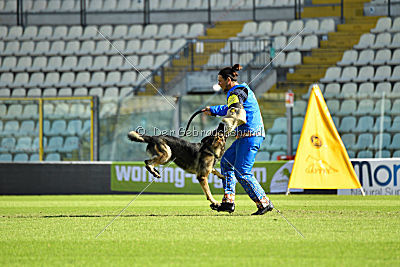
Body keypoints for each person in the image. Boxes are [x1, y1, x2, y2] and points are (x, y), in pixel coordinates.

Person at [203, 64, 274, 215]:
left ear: (229, 80)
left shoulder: (236, 92)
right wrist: (213, 110)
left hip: (250, 136)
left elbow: (235, 113)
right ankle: (228, 202)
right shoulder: (240, 90)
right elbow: (231, 108)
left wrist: (219, 132)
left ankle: (264, 203)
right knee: (226, 163)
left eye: (220, 81)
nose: (219, 84)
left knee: (242, 171)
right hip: (246, 136)